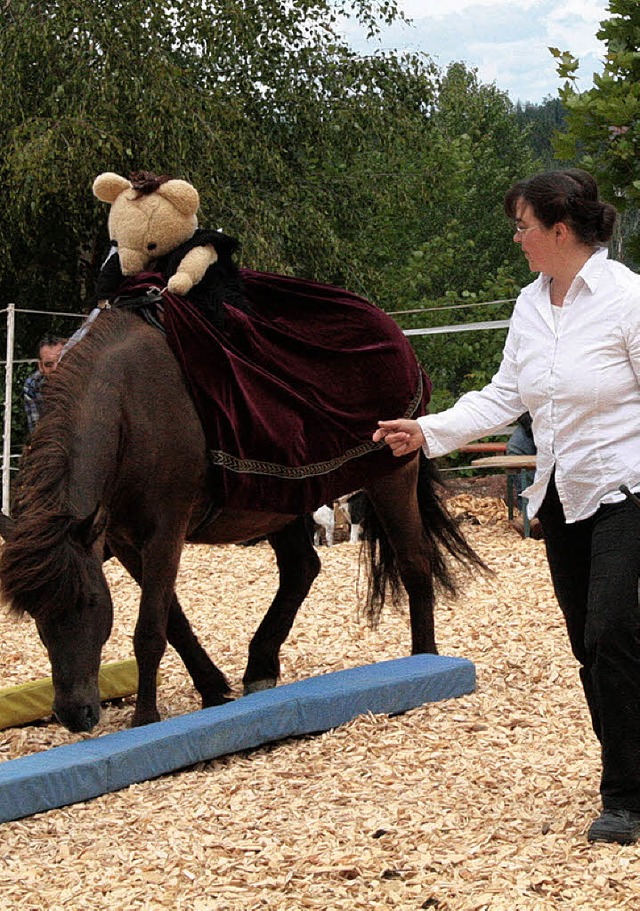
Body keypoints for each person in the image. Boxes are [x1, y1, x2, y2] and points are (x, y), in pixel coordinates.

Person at [373, 168, 640, 845]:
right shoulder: (530, 304)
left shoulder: (626, 299)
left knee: (613, 631)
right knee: (589, 642)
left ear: (560, 229)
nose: (516, 238)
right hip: (560, 491)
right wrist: (427, 431)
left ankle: (625, 795)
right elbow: (503, 396)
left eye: (523, 226)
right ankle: (632, 760)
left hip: (627, 488)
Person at [505, 412, 541, 538]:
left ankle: (536, 512)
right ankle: (529, 511)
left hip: (567, 422)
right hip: (533, 420)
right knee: (515, 448)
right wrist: (531, 425)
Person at [22, 335, 66, 434]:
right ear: (41, 366)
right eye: (49, 365)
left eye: (61, 363)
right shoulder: (32, 385)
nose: (55, 369)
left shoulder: (81, 381)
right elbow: (36, 430)